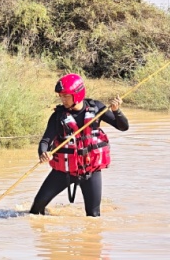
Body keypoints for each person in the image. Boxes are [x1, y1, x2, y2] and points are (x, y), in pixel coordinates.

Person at [30, 74, 129, 217]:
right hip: (63, 172)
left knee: (93, 216)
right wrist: (43, 153)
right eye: (61, 96)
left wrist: (116, 111)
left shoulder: (97, 108)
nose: (62, 99)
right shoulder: (58, 116)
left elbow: (123, 127)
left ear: (77, 94)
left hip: (90, 172)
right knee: (36, 208)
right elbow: (45, 141)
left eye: (66, 96)